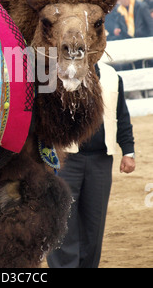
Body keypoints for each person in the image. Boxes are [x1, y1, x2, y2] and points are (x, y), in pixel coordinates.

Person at [47, 61, 136, 268]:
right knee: (63, 220)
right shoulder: (57, 73)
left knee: (94, 224)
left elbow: (120, 115)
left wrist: (128, 151)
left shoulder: (112, 75)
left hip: (101, 160)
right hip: (65, 159)